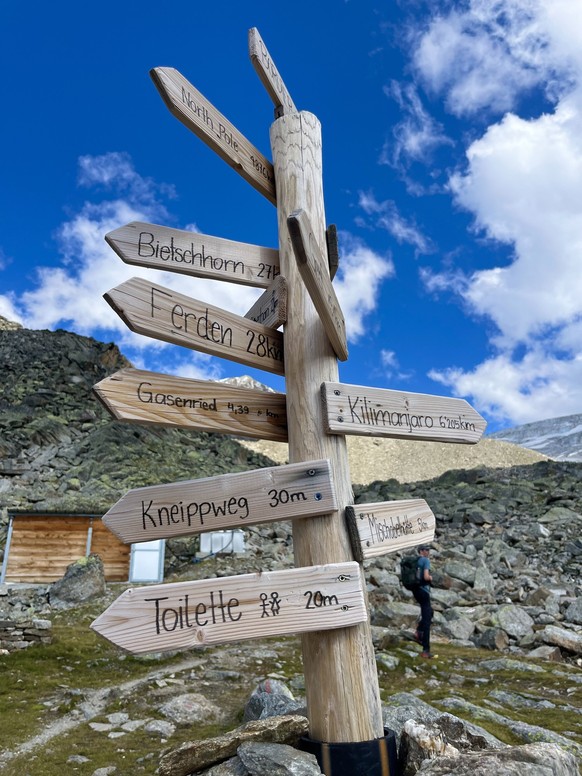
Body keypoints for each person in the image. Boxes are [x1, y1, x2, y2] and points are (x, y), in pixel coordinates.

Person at [413, 545, 434, 658]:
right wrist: (430, 578)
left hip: (416, 591)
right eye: (426, 550)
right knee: (427, 620)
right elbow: (426, 577)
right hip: (424, 591)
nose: (428, 552)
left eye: (428, 550)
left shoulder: (416, 561)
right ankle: (426, 650)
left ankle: (418, 632)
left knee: (429, 612)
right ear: (421, 551)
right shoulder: (425, 560)